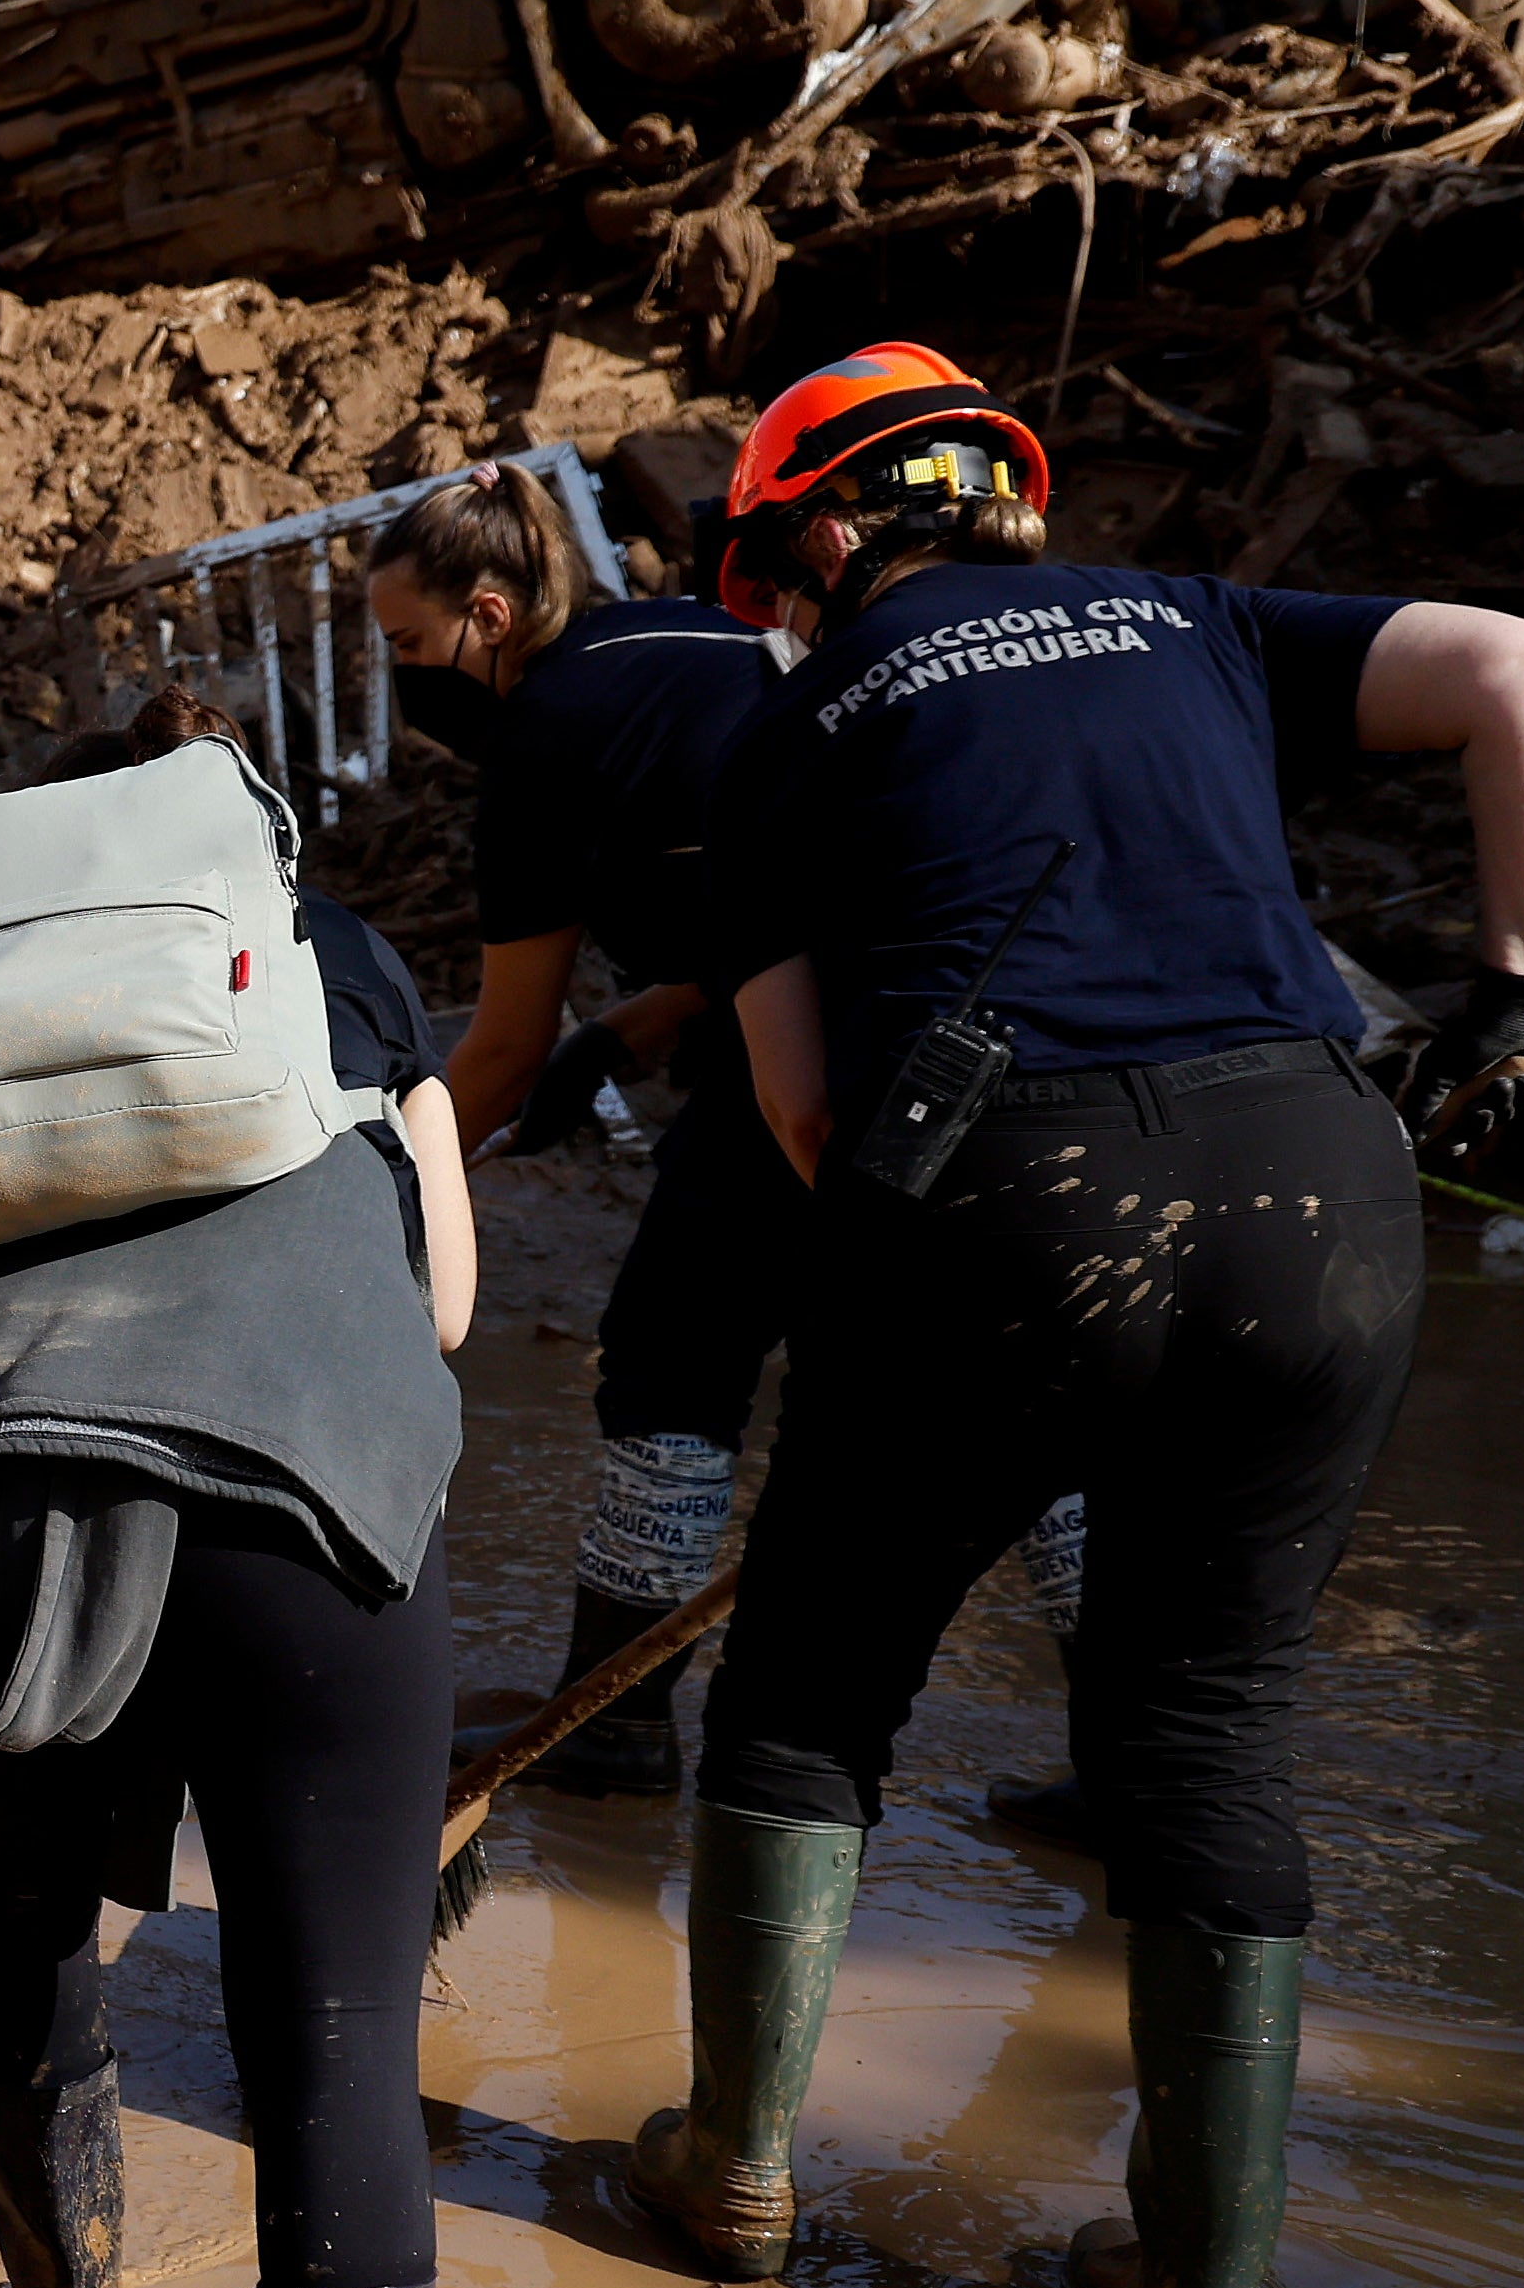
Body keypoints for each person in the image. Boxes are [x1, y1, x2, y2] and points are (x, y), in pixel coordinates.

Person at [627, 343, 1524, 2288]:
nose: (775, 619)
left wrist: (955, 1318)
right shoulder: (1205, 620)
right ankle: (1197, 2287)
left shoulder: (789, 731)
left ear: (818, 525)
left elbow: (801, 1115)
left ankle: (734, 2168)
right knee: (1206, 1725)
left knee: (809, 1683)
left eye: (773, 577)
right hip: (1321, 1183)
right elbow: (1522, 668)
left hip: (1006, 1182)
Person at [0, 685, 587, 2288]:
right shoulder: (323, 952)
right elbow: (434, 1293)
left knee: (16, 1921)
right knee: (326, 2013)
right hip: (304, 1471)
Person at [366, 464, 1088, 1798]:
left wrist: (383, 1189)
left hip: (832, 1051)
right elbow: (791, 883)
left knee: (674, 1355)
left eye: (410, 644)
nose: (406, 675)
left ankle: (620, 1724)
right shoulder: (684, 638)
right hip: (993, 1027)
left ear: (485, 614)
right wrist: (628, 1035)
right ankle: (1144, 1754)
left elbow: (501, 1046)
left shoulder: (541, 740)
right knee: (1023, 1384)